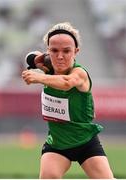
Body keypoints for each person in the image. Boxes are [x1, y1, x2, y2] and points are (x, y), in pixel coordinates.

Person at [22, 22, 114, 179]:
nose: (60, 56)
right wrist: (35, 60)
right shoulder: (48, 67)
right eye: (54, 51)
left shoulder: (79, 73)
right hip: (57, 144)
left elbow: (66, 83)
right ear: (48, 52)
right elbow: (31, 57)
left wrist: (40, 77)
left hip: (85, 142)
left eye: (66, 51)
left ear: (76, 51)